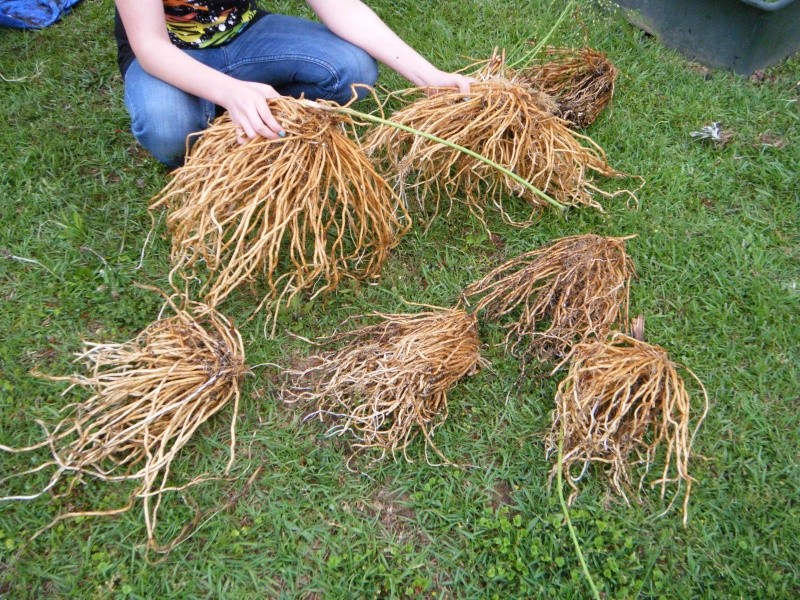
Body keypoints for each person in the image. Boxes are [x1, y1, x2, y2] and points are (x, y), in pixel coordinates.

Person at [115, 0, 472, 168]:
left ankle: (253, 107)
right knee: (168, 130)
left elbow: (340, 7)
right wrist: (229, 91)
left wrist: (430, 77)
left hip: (247, 35)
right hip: (171, 55)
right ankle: (226, 110)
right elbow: (150, 47)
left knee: (353, 70)